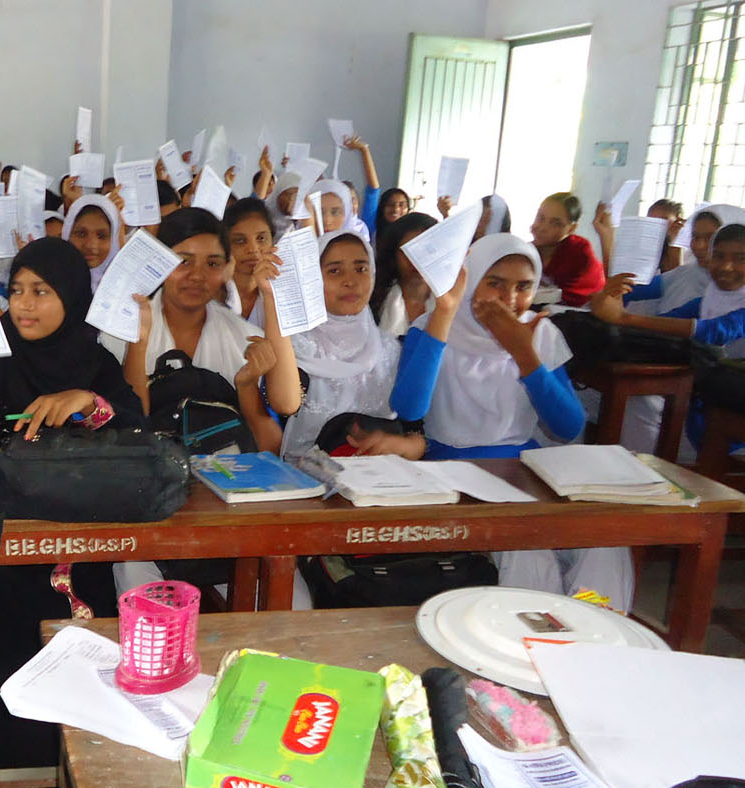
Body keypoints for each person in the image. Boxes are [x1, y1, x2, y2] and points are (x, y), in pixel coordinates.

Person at [0, 238, 146, 771]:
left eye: (41, 291)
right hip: (14, 556)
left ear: (73, 297)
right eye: (16, 291)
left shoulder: (95, 359)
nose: (24, 304)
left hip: (87, 548)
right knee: (0, 688)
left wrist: (89, 402)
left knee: (93, 683)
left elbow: (138, 431)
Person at [390, 233, 632, 609]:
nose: (509, 300)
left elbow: (566, 427)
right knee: (528, 552)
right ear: (469, 280)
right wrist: (444, 313)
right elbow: (409, 408)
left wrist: (524, 354)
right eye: (494, 283)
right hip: (454, 468)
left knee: (605, 542)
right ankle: (533, 644)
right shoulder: (434, 326)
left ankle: (593, 630)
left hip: (526, 469)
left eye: (524, 287)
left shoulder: (538, 332)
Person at [101, 208, 301, 452]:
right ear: (159, 263)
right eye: (183, 261)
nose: (197, 275)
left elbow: (270, 445)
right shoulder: (118, 331)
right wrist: (138, 345)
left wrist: (246, 387)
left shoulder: (242, 336)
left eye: (212, 263)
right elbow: (130, 431)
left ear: (228, 268)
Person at [591, 222, 745, 452]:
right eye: (719, 256)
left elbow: (715, 330)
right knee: (626, 401)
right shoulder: (709, 300)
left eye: (741, 259)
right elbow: (666, 323)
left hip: (732, 428)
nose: (727, 267)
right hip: (700, 412)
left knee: (639, 405)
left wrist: (624, 319)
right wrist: (606, 296)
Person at [282, 232, 423, 458]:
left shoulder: (391, 350)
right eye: (334, 271)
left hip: (381, 481)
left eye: (361, 269)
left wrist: (401, 445)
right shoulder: (293, 349)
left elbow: (418, 432)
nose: (350, 281)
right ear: (311, 280)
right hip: (304, 483)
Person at [371, 212, 439, 336]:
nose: (417, 259)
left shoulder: (451, 304)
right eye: (409, 251)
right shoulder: (373, 302)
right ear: (393, 255)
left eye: (428, 250)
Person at [531, 192, 604, 307]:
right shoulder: (528, 251)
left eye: (555, 223)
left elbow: (573, 298)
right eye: (540, 218)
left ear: (571, 228)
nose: (542, 227)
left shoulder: (579, 253)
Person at [219, 197, 276, 321]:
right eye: (240, 241)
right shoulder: (213, 292)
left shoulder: (282, 293)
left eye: (261, 238)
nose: (253, 249)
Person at [61, 195, 121, 291]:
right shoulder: (50, 284)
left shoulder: (126, 291)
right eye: (81, 234)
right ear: (67, 234)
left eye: (102, 236)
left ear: (114, 241)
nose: (90, 245)